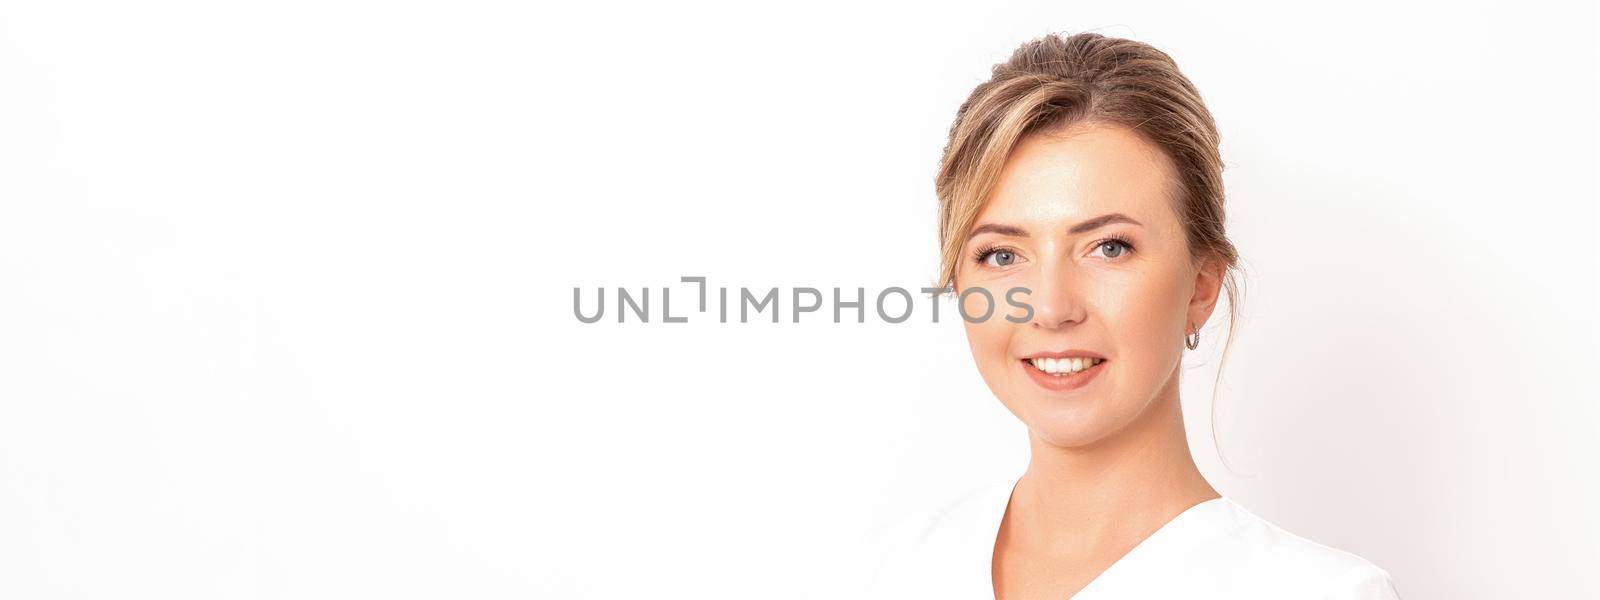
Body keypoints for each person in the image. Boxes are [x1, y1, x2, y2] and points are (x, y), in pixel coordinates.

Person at [870, 32, 1402, 599]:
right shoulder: (903, 568)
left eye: (1109, 247)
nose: (1050, 308)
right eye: (1002, 255)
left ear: (1201, 288)